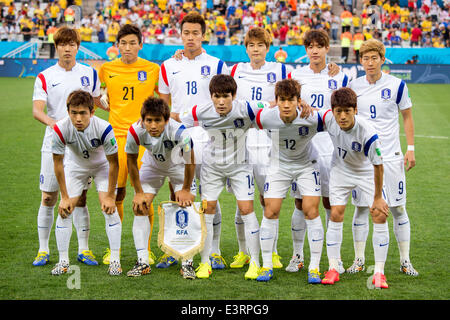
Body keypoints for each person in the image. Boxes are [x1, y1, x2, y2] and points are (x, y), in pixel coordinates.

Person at [158, 12, 228, 274]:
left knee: (211, 193)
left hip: (209, 135)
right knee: (178, 193)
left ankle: (215, 251)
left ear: (203, 34)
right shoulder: (168, 65)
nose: (190, 37)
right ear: (181, 34)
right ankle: (176, 249)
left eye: (195, 33)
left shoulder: (217, 64)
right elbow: (163, 105)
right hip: (178, 135)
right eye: (186, 33)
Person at [180, 74, 267, 280]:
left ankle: (254, 262)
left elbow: (273, 106)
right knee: (207, 210)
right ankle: (205, 262)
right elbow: (177, 121)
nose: (221, 101)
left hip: (240, 167)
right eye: (216, 96)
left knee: (247, 209)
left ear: (234, 95)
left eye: (226, 96)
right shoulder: (200, 111)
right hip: (213, 168)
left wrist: (299, 103)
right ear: (210, 96)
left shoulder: (247, 108)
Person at [348, 39, 418, 276]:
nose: (369, 63)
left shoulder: (397, 85)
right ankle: (358, 260)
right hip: (363, 159)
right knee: (361, 209)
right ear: (360, 60)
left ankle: (405, 260)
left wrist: (411, 148)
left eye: (374, 58)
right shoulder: (353, 86)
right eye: (365, 58)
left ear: (382, 59)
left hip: (391, 157)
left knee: (398, 208)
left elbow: (407, 117)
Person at [32, 26, 101, 267]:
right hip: (54, 142)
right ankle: (43, 249)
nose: (67, 49)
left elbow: (97, 103)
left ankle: (84, 249)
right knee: (49, 198)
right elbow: (37, 110)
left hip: (82, 145)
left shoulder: (90, 74)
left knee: (80, 198)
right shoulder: (45, 76)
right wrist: (58, 125)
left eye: (72, 44)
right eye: (63, 44)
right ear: (57, 47)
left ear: (78, 47)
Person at [228, 27, 293, 270]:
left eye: (260, 45)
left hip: (269, 140)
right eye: (251, 45)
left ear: (268, 48)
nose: (255, 49)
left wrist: (265, 105)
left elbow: (289, 96)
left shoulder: (280, 70)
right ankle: (243, 251)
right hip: (242, 139)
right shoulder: (235, 70)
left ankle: (272, 251)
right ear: (246, 48)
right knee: (241, 199)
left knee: (269, 199)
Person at [287, 29, 348, 274]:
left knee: (331, 201)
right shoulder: (295, 75)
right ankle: (298, 255)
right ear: (306, 50)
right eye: (310, 46)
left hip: (331, 144)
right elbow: (285, 101)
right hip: (304, 144)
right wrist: (300, 104)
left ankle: (335, 258)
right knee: (301, 202)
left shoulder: (340, 76)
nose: (314, 50)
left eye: (319, 46)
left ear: (326, 49)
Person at [98, 24, 160, 266]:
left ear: (140, 45)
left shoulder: (152, 69)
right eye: (123, 43)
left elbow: (165, 96)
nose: (128, 47)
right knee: (117, 194)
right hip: (116, 139)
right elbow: (98, 95)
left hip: (145, 138)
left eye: (132, 43)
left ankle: (146, 249)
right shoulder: (106, 68)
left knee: (143, 194)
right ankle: (114, 248)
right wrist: (104, 101)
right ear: (117, 46)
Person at [253, 79, 324, 284]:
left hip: (306, 165)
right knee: (270, 210)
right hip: (278, 165)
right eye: (281, 100)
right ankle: (266, 266)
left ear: (298, 101)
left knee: (311, 211)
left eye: (290, 100)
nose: (286, 104)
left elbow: (335, 116)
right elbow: (246, 114)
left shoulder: (311, 118)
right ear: (275, 101)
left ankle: (314, 267)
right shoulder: (266, 117)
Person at [319, 87, 390, 289]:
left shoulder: (367, 132)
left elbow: (378, 166)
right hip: (340, 170)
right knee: (336, 214)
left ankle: (379, 273)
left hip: (366, 172)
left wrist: (377, 197)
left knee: (379, 215)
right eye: (338, 111)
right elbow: (312, 116)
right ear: (332, 110)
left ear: (355, 110)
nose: (342, 116)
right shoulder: (328, 119)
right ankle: (333, 267)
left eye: (347, 111)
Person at [50, 90, 122, 276]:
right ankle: (63, 261)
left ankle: (115, 261)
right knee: (65, 210)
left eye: (83, 113)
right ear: (68, 112)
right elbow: (58, 163)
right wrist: (64, 197)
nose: (78, 118)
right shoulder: (59, 129)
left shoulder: (104, 128)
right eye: (74, 113)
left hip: (102, 167)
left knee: (108, 208)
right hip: (75, 167)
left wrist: (110, 196)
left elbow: (114, 163)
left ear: (92, 112)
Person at [125, 97, 196, 277]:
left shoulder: (180, 132)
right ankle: (142, 262)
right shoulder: (134, 131)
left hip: (178, 164)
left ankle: (187, 261)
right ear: (143, 120)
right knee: (140, 206)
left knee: (185, 205)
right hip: (152, 164)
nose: (153, 125)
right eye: (149, 120)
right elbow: (131, 162)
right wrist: (139, 192)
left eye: (158, 120)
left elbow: (190, 161)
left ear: (167, 120)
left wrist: (186, 189)